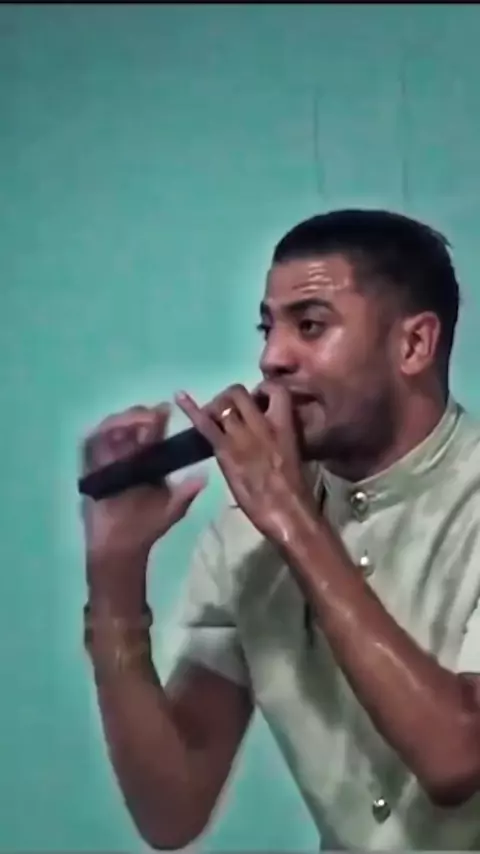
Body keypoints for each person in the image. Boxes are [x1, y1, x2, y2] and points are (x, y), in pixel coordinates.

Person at [80, 209, 480, 851]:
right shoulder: (246, 536)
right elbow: (172, 811)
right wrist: (115, 575)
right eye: (268, 329)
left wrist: (292, 519)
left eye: (310, 325)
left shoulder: (276, 514)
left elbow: (457, 758)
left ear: (413, 345)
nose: (272, 358)